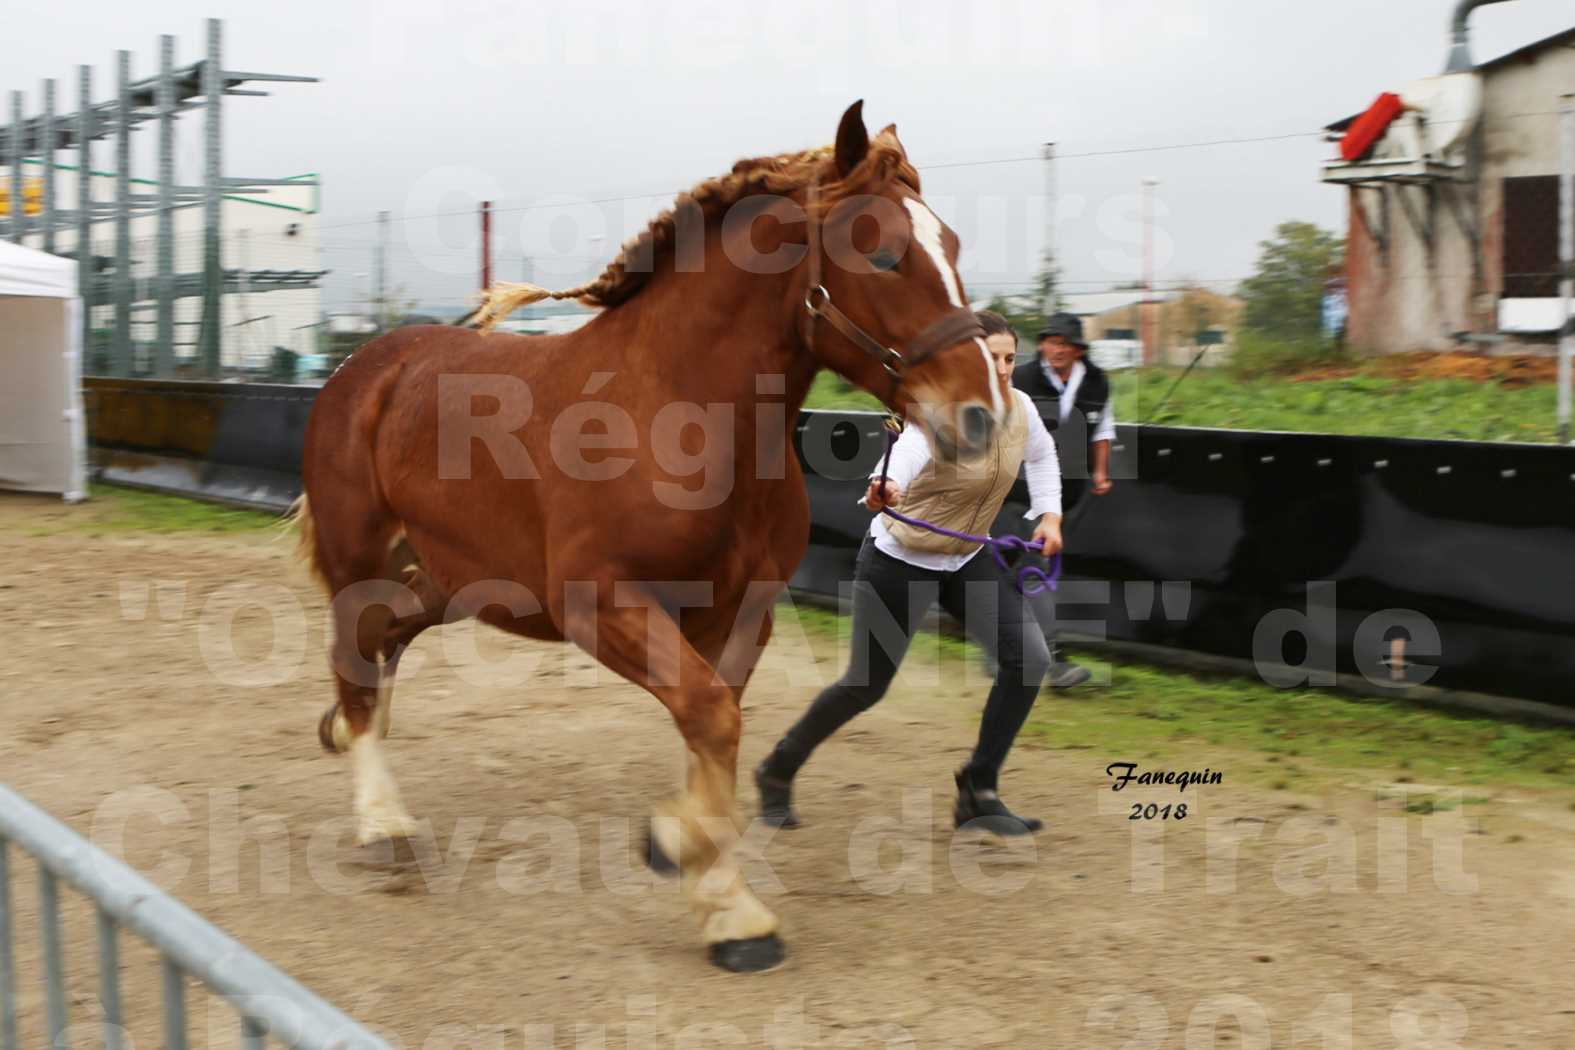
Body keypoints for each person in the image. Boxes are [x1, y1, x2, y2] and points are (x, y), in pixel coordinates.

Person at [755, 310, 1062, 837]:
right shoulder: (937, 410)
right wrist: (886, 486)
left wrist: (1049, 514)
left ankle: (978, 790)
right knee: (865, 685)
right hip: (900, 561)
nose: (1005, 370)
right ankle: (777, 768)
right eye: (992, 359)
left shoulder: (1022, 410)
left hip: (967, 560)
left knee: (1029, 660)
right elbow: (906, 454)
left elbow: (1043, 455)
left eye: (1011, 358)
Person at [1009, 312, 1118, 688]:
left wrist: (1101, 472)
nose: (1056, 349)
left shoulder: (1098, 382)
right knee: (1035, 565)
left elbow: (1103, 428)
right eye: (1051, 342)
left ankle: (1010, 650)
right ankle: (1050, 659)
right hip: (1022, 491)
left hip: (1069, 491)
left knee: (1032, 567)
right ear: (1042, 345)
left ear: (1077, 349)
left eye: (1064, 343)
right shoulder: (1020, 378)